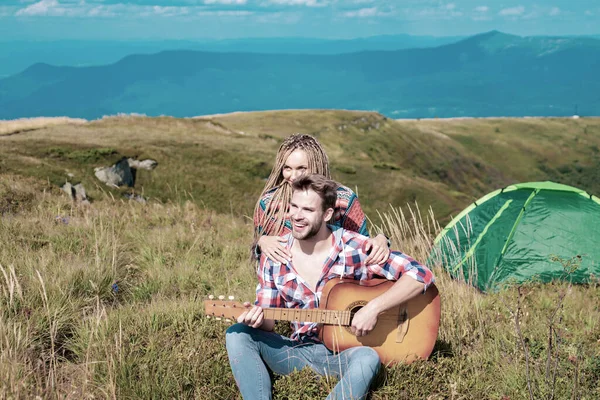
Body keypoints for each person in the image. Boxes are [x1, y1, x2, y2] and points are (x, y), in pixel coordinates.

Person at [227, 174, 435, 400]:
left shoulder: (354, 247)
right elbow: (268, 323)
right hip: (297, 351)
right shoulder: (274, 255)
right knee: (237, 334)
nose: (296, 216)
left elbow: (421, 274)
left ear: (327, 214)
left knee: (368, 358)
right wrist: (256, 317)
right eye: (293, 206)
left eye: (307, 210)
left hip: (346, 354)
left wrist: (373, 308)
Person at [253, 133, 389, 265]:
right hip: (287, 280)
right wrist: (262, 242)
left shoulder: (343, 199)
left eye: (302, 168)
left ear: (317, 165)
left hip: (336, 277)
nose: (293, 176)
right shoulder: (269, 203)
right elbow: (260, 254)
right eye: (287, 168)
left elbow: (362, 243)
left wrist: (381, 239)